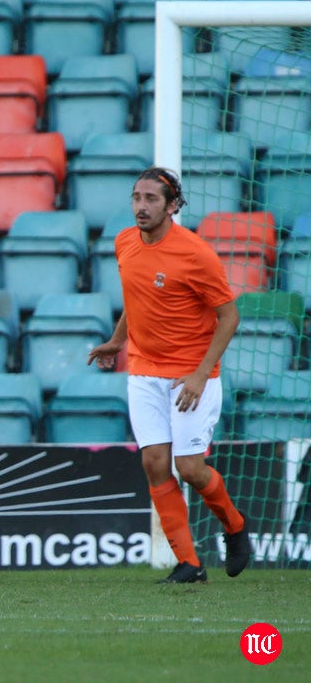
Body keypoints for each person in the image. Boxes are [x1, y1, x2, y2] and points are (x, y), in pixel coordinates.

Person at [87, 167, 251, 584]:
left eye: (151, 199)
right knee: (154, 462)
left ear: (173, 205)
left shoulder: (195, 254)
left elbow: (229, 316)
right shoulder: (125, 242)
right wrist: (117, 341)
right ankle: (189, 564)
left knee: (190, 468)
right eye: (136, 197)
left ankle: (234, 526)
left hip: (190, 375)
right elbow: (138, 299)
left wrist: (200, 374)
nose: (141, 206)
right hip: (144, 370)